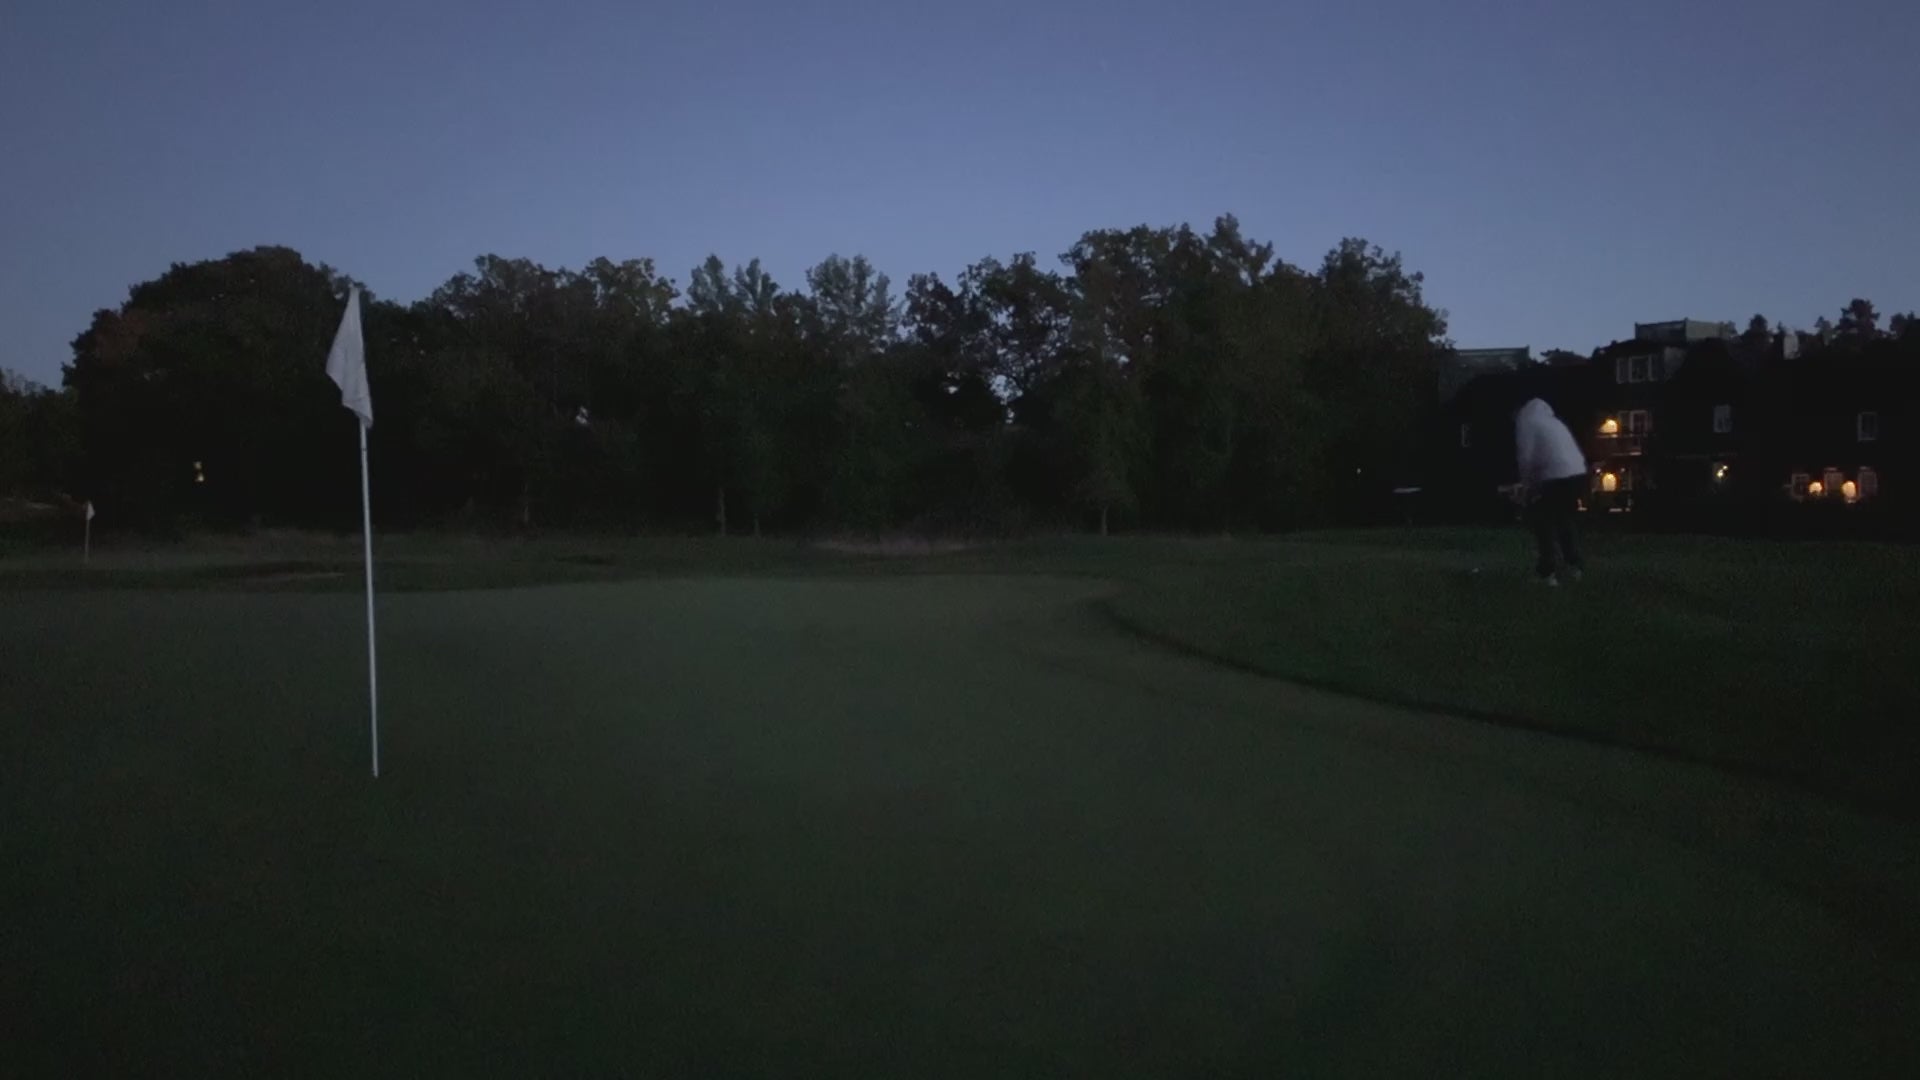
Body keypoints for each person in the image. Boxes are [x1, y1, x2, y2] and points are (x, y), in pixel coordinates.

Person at [1512, 397, 1588, 585]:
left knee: (1542, 522)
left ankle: (1547, 572)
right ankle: (1574, 566)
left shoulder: (1526, 421)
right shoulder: (1553, 422)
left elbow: (1526, 457)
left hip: (1555, 476)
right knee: (1564, 520)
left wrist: (1526, 485)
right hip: (1577, 474)